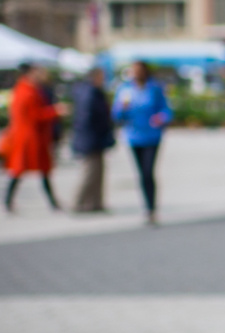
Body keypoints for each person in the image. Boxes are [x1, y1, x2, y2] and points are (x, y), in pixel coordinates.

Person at [2, 63, 68, 213]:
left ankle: (52, 202)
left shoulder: (26, 89)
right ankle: (8, 201)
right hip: (29, 138)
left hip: (31, 137)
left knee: (37, 171)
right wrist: (55, 111)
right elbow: (35, 115)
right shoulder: (27, 92)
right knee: (21, 170)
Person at [113, 60, 172, 225]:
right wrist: (122, 109)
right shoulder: (125, 90)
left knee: (148, 172)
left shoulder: (154, 88)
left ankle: (151, 208)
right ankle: (147, 206)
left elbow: (167, 110)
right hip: (133, 136)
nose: (136, 73)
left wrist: (161, 118)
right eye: (134, 70)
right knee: (141, 173)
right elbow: (116, 116)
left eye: (139, 70)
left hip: (152, 136)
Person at [70, 67, 115, 213]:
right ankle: (79, 202)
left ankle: (96, 203)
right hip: (91, 139)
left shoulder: (90, 91)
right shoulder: (90, 93)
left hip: (95, 138)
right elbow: (86, 119)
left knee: (98, 172)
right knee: (90, 172)